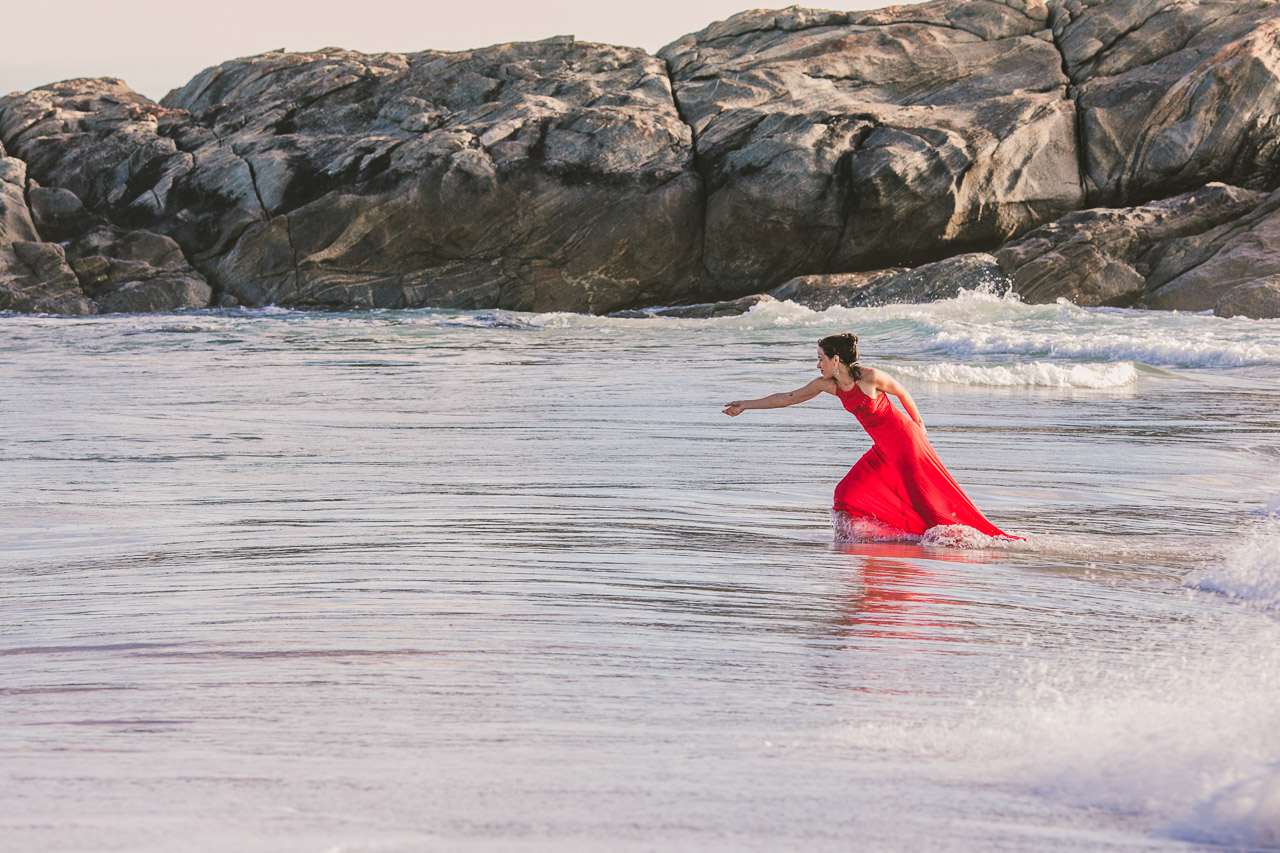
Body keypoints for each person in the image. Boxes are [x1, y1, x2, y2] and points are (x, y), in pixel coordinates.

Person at [722, 332, 1019, 540]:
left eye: (821, 359)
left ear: (836, 360)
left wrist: (919, 425)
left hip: (905, 443)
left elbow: (902, 392)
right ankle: (886, 540)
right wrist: (746, 405)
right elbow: (787, 397)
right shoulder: (827, 385)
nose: (818, 365)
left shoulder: (869, 378)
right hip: (883, 448)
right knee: (845, 495)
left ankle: (964, 542)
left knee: (927, 506)